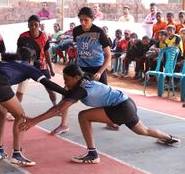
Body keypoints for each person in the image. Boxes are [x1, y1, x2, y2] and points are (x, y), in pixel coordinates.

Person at [20, 64, 181, 164]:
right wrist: (108, 118)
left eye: (67, 79)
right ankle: (170, 138)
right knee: (143, 130)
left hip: (121, 108)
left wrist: (33, 121)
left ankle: (92, 154)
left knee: (83, 116)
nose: (65, 83)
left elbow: (58, 109)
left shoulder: (81, 89)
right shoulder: (82, 84)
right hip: (127, 104)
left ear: (76, 78)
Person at [0, 47, 68, 166]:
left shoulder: (5, 62)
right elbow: (48, 83)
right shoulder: (27, 66)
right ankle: (17, 154)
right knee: (20, 116)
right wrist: (67, 93)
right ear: (31, 59)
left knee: (2, 113)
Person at [52, 7, 114, 134]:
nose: (83, 23)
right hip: (81, 68)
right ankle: (64, 124)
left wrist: (100, 72)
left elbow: (108, 56)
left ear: (92, 19)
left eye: (86, 20)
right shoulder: (76, 31)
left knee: (105, 96)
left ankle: (109, 119)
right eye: (81, 20)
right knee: (67, 93)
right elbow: (78, 48)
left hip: (97, 67)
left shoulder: (99, 32)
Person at [16, 15, 56, 106]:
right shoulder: (23, 36)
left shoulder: (44, 36)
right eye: (31, 25)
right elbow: (18, 52)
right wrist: (18, 66)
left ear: (39, 25)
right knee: (20, 90)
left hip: (42, 66)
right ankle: (14, 112)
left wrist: (51, 69)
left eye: (36, 25)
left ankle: (55, 106)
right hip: (27, 66)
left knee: (50, 89)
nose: (33, 27)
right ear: (28, 25)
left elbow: (47, 53)